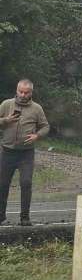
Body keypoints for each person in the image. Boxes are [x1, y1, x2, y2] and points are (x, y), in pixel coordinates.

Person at [0, 79, 50, 226]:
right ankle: (1, 216)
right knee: (2, 184)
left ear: (31, 93)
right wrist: (5, 120)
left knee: (26, 182)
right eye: (20, 91)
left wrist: (37, 135)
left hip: (26, 154)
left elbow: (45, 127)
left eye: (26, 92)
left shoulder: (36, 108)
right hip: (7, 151)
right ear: (16, 90)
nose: (22, 95)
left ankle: (25, 217)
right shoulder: (6, 104)